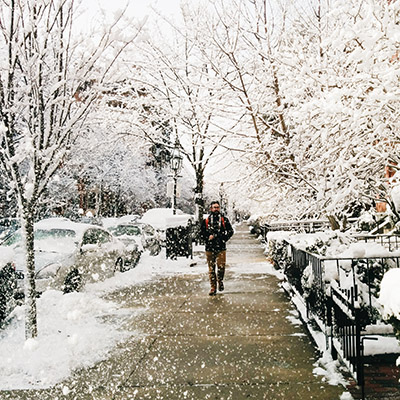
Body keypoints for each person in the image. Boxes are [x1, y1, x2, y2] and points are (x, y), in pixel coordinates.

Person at [200, 201, 234, 296]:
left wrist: (223, 239)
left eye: (217, 207)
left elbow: (231, 231)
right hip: (209, 248)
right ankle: (213, 287)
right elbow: (201, 234)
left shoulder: (224, 220)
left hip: (221, 248)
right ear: (211, 209)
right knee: (211, 269)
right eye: (214, 207)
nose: (216, 209)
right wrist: (207, 237)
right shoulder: (206, 221)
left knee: (221, 267)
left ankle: (220, 280)